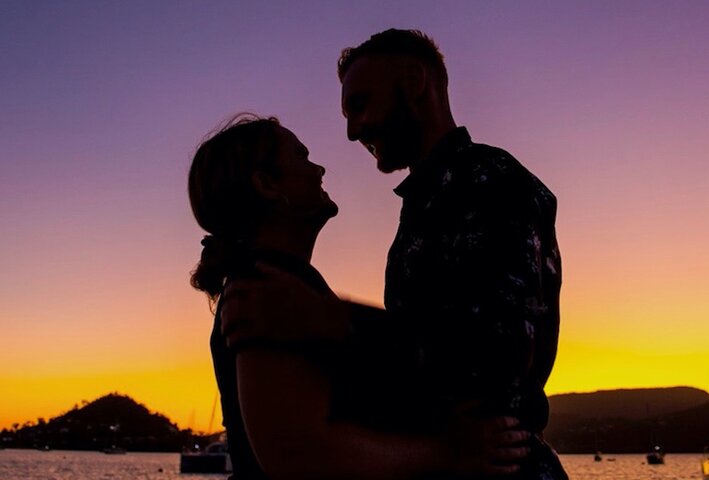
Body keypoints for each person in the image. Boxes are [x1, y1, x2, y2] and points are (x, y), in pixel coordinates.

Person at [222, 29, 568, 479]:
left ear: (414, 80)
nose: (351, 132)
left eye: (361, 104)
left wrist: (332, 321)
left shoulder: (494, 182)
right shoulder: (422, 208)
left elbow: (498, 353)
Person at [189, 114, 530, 480]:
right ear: (267, 185)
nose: (319, 168)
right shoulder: (263, 290)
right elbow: (297, 456)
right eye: (301, 156)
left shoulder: (287, 287)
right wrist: (449, 453)